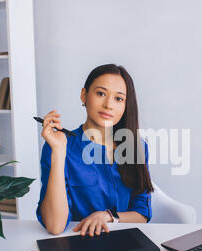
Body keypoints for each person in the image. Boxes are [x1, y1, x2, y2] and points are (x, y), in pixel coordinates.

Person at [37, 64, 154, 237]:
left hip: (124, 240)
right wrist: (59, 153)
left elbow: (142, 214)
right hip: (78, 242)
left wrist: (107, 217)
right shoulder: (60, 146)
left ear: (126, 106)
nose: (108, 105)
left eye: (119, 99)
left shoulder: (136, 146)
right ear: (84, 95)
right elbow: (55, 226)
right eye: (101, 93)